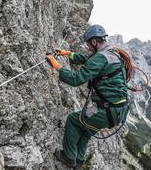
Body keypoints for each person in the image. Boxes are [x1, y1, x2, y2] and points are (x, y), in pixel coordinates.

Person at [46, 24, 131, 169]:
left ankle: (68, 157)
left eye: (88, 44)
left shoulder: (101, 57)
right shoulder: (112, 54)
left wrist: (56, 66)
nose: (88, 47)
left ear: (93, 41)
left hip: (106, 111)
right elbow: (89, 60)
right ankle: (79, 161)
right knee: (87, 129)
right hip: (117, 110)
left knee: (73, 120)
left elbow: (75, 79)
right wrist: (68, 54)